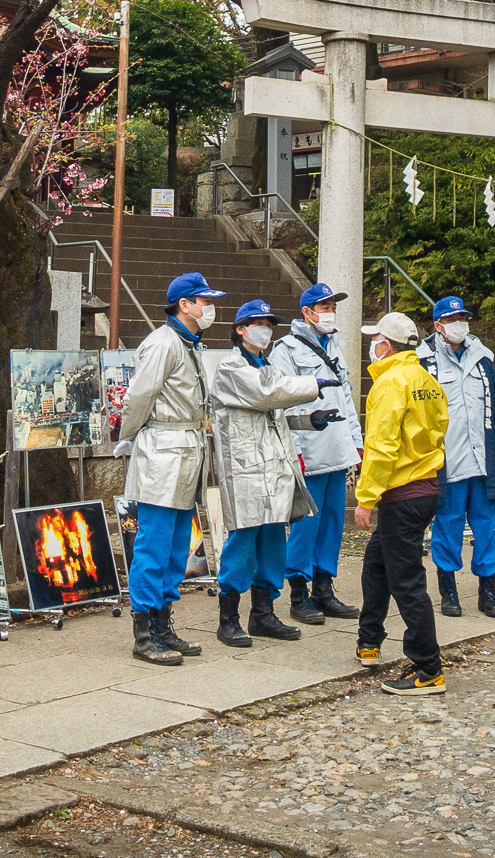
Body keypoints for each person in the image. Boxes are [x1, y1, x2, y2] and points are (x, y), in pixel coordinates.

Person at [115, 271, 222, 666]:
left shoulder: (186, 342)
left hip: (186, 449)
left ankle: (162, 622)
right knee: (154, 545)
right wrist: (127, 434)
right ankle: (144, 631)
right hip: (163, 449)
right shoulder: (163, 343)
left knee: (179, 546)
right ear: (185, 304)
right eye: (204, 300)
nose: (210, 307)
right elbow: (140, 395)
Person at [209, 300, 324, 647]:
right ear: (240, 329)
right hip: (246, 469)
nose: (265, 328)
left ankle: (263, 613)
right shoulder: (231, 367)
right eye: (257, 322)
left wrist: (309, 420)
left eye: (269, 323)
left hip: (273, 467)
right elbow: (266, 396)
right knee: (242, 541)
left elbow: (273, 414)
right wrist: (312, 384)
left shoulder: (267, 364)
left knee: (274, 539)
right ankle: (228, 618)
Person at [353, 310, 449, 696]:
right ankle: (369, 640)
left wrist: (365, 498)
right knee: (377, 564)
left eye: (375, 339)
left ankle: (428, 668)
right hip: (425, 485)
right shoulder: (425, 379)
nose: (371, 346)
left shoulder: (390, 383)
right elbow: (441, 426)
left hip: (401, 491)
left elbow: (381, 446)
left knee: (407, 581)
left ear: (386, 346)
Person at [270, 282, 363, 625]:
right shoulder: (287, 350)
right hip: (308, 446)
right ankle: (299, 593)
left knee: (333, 521)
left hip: (337, 447)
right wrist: (291, 450)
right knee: (306, 523)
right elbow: (281, 402)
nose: (330, 312)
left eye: (332, 306)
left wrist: (356, 439)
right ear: (307, 312)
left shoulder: (335, 344)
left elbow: (346, 397)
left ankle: (325, 588)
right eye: (323, 307)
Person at [415, 295, 495, 619]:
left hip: (482, 460)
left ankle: (488, 591)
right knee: (448, 526)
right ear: (438, 325)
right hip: (447, 462)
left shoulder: (483, 359)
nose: (460, 325)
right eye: (453, 319)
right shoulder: (423, 362)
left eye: (464, 319)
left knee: (486, 526)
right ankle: (449, 591)